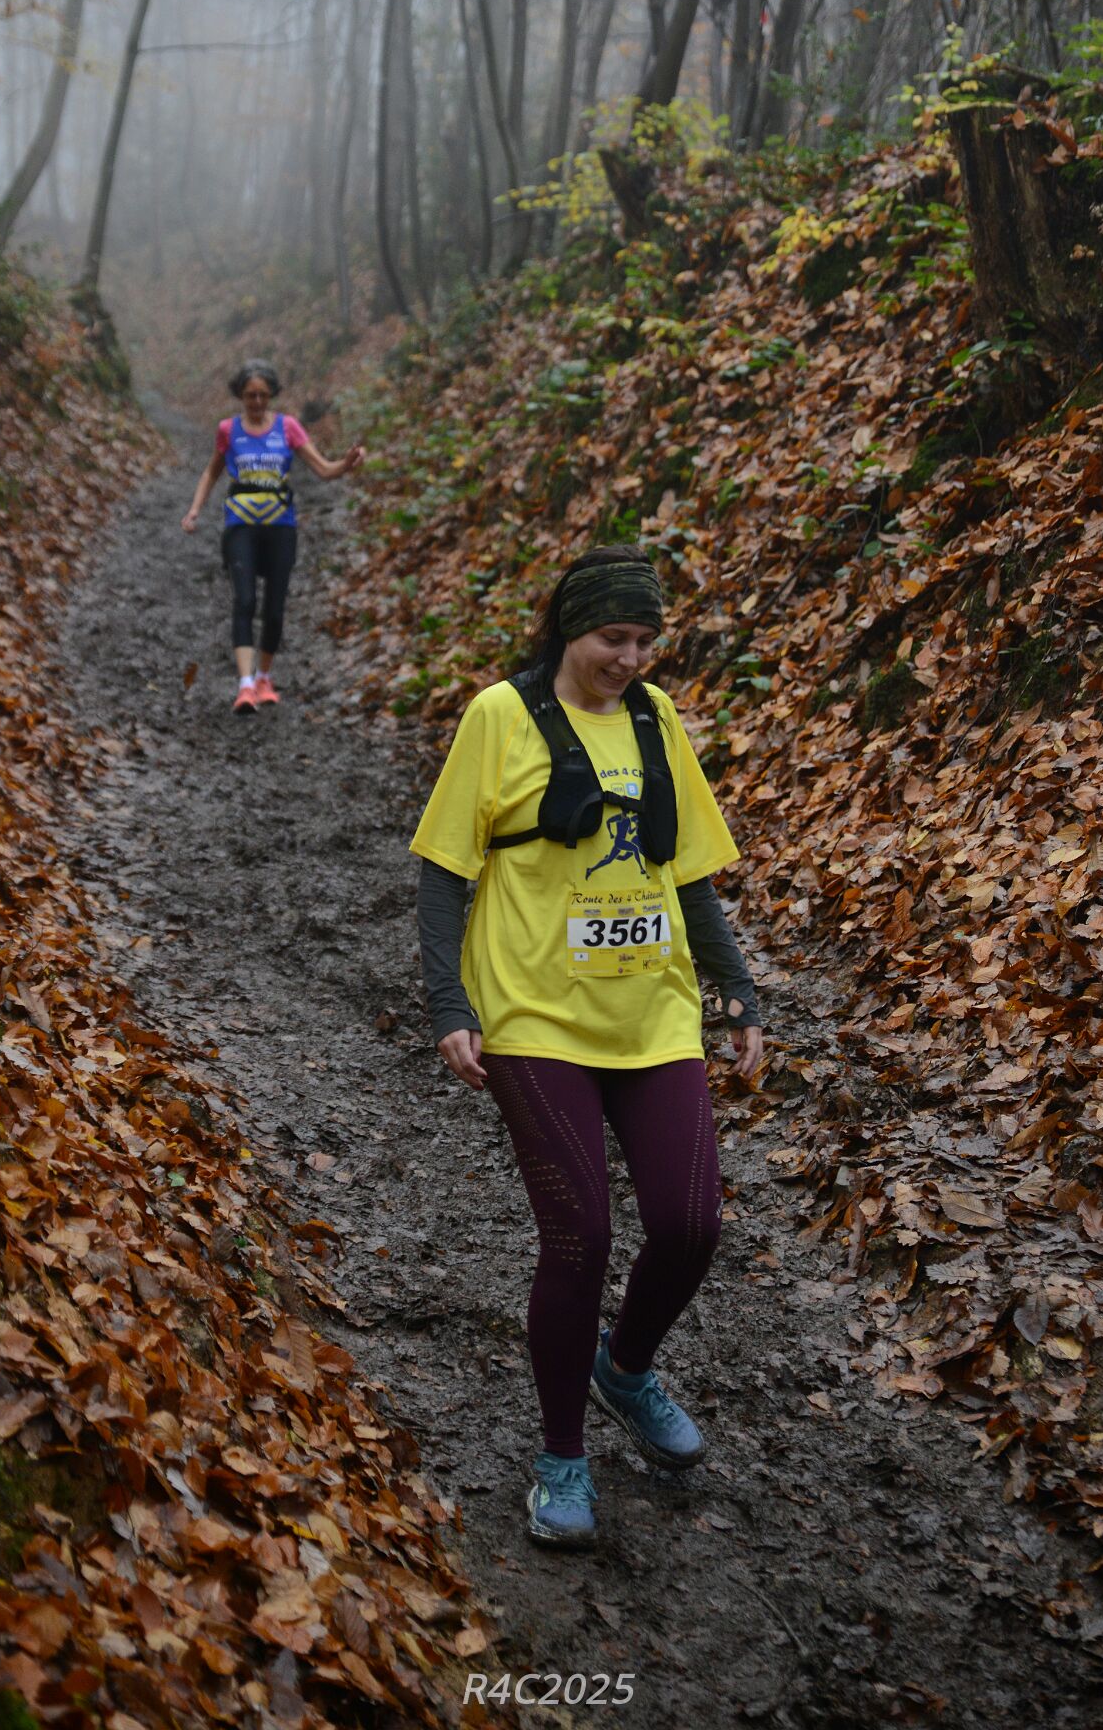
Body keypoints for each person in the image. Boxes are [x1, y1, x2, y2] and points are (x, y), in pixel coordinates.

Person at [411, 546, 764, 1550]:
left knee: (690, 1225)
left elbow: (688, 873)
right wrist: (448, 1002)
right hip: (533, 1015)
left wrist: (734, 988)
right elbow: (442, 869)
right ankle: (561, 1458)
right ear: (572, 627)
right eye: (615, 638)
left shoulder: (655, 720)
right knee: (581, 1236)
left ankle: (625, 1369)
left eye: (646, 641)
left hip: (652, 1014)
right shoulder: (499, 716)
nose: (631, 658)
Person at [181, 359, 364, 712]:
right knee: (245, 601)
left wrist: (347, 463)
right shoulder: (228, 430)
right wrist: (194, 510)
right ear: (240, 395)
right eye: (250, 395)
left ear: (272, 395)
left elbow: (324, 469)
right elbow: (211, 473)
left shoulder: (288, 427)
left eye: (263, 395)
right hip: (240, 528)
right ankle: (245, 685)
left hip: (281, 528)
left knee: (275, 608)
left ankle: (264, 677)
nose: (257, 402)